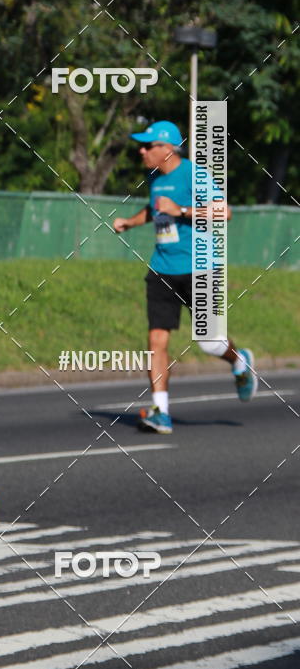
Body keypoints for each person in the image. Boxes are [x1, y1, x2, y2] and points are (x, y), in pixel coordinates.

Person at [112, 120, 256, 434]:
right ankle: (160, 412)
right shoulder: (154, 179)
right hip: (162, 267)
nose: (142, 150)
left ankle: (239, 360)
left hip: (201, 266)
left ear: (166, 149)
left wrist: (183, 211)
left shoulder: (194, 174)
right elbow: (154, 211)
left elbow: (224, 212)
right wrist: (129, 222)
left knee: (210, 343)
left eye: (148, 146)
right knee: (156, 341)